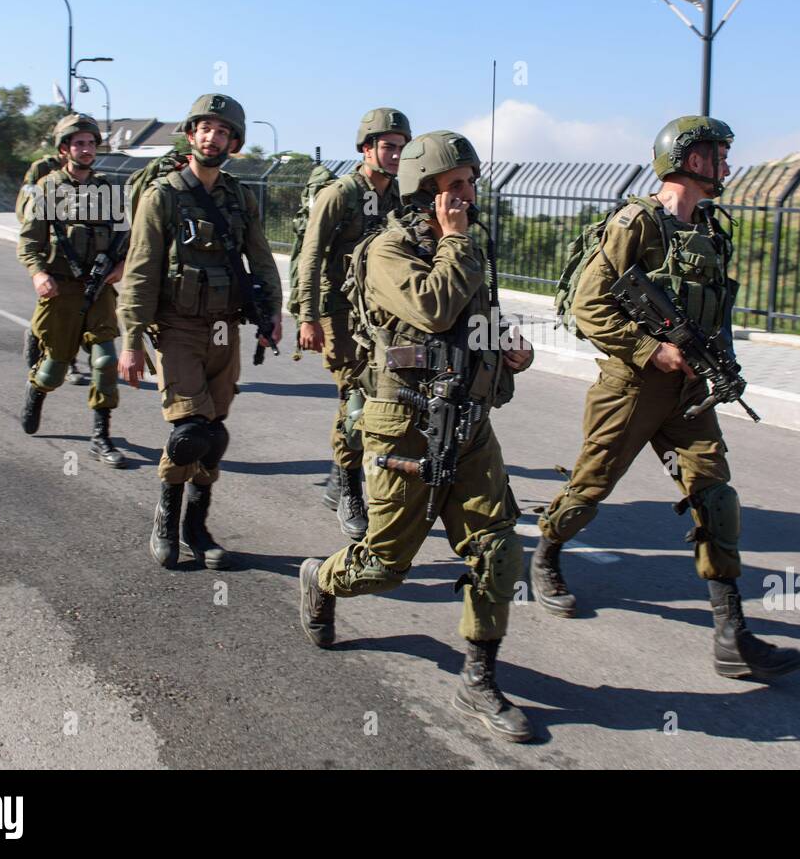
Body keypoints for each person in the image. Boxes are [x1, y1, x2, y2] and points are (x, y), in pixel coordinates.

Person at [533, 116, 800, 681]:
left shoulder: (709, 228)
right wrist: (650, 351)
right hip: (632, 387)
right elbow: (589, 306)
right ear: (690, 159)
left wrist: (722, 366)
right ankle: (545, 555)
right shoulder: (637, 222)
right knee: (591, 486)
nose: (728, 164)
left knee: (715, 496)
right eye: (719, 154)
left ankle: (732, 635)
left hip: (688, 388)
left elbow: (716, 310)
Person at [298, 130, 537, 742]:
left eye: (469, 184)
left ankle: (478, 681)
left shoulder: (464, 245)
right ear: (424, 191)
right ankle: (321, 579)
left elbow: (472, 314)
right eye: (454, 186)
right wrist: (457, 243)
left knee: (498, 550)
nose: (466, 196)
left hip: (470, 424)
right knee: (382, 566)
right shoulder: (388, 251)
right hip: (405, 425)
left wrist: (505, 342)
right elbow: (432, 309)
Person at [117, 93, 283, 570]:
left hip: (223, 330)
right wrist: (131, 341)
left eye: (223, 130)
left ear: (234, 141)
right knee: (189, 431)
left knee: (214, 433)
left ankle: (197, 524)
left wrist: (271, 314)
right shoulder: (163, 196)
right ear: (191, 136)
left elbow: (261, 258)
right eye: (205, 128)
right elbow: (142, 271)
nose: (213, 137)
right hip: (178, 328)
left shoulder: (239, 197)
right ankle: (166, 520)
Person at [296, 108, 410, 539]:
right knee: (357, 400)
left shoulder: (399, 196)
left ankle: (337, 476)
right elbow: (309, 258)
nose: (396, 155)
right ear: (366, 149)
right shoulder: (339, 194)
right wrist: (308, 317)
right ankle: (349, 490)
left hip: (381, 317)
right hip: (339, 315)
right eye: (388, 147)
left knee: (379, 398)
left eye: (401, 148)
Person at [16, 112, 127, 466]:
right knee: (54, 371)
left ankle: (101, 437)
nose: (86, 149)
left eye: (91, 143)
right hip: (61, 291)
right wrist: (38, 274)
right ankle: (37, 392)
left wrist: (121, 266)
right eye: (79, 143)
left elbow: (126, 238)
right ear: (65, 149)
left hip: (98, 291)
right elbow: (30, 242)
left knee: (106, 360)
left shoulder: (108, 188)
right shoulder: (48, 188)